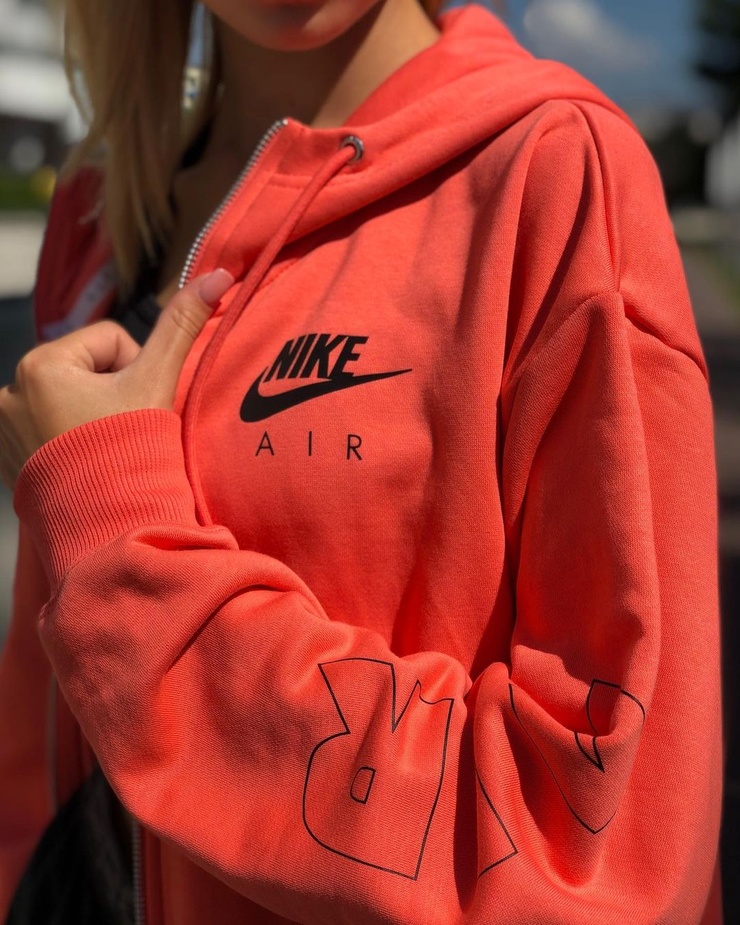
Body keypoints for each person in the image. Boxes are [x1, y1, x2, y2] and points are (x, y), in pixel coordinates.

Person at [0, 0, 724, 921]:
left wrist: (121, 546)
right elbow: (39, 724)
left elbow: (598, 861)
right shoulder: (100, 215)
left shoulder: (553, 172)